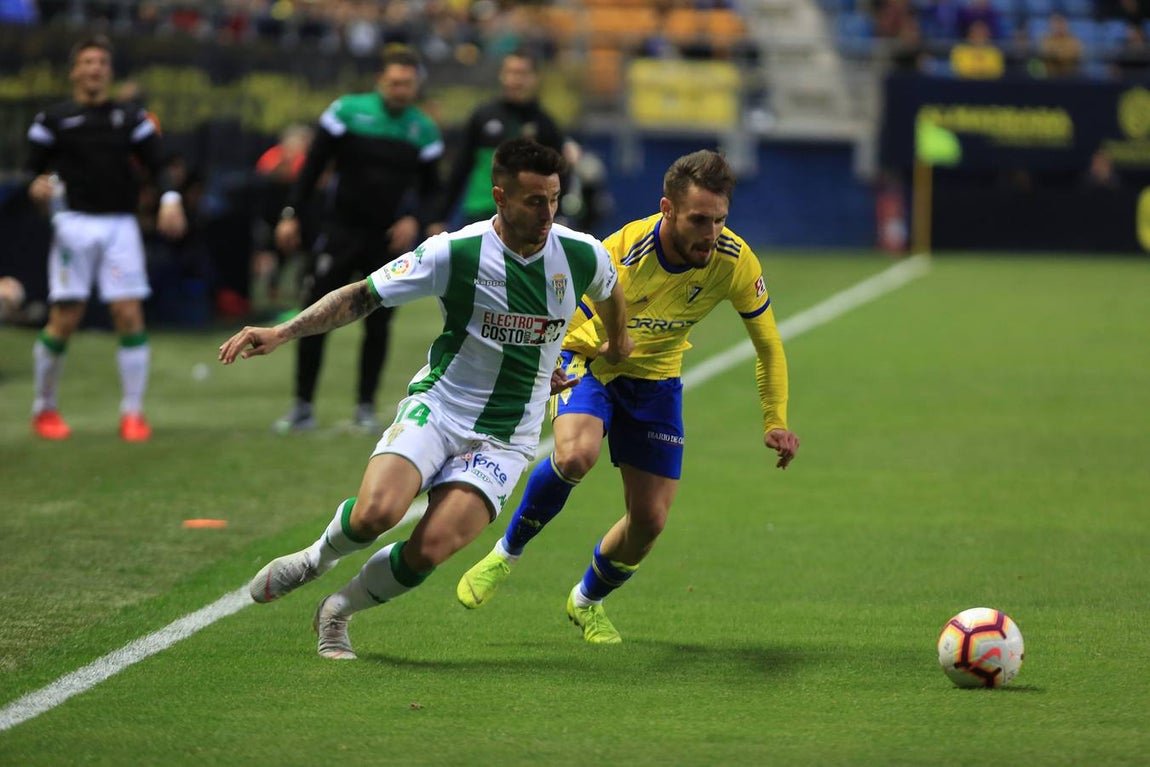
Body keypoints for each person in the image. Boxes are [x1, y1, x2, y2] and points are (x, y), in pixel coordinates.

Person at [219, 138, 633, 660]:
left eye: (554, 198)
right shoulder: (455, 252)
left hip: (508, 436)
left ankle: (338, 611)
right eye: (534, 201)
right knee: (376, 513)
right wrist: (284, 331)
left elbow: (610, 286)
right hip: (440, 407)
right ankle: (316, 557)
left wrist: (617, 341)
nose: (549, 212)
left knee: (429, 550)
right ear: (500, 197)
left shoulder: (579, 253)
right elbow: (363, 294)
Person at [456, 149, 800, 644]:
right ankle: (504, 556)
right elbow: (562, 307)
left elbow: (768, 343)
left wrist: (775, 419)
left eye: (720, 220)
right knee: (576, 455)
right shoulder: (623, 252)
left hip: (656, 379)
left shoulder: (734, 260)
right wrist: (568, 356)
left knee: (650, 521)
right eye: (699, 220)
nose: (711, 233)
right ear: (667, 209)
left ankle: (586, 601)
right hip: (587, 358)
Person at [273, 46, 446, 434]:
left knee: (379, 321)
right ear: (380, 81)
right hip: (340, 230)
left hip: (387, 240)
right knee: (315, 312)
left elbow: (434, 190)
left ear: (416, 86)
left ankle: (365, 407)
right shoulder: (346, 113)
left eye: (408, 83)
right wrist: (291, 214)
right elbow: (312, 166)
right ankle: (302, 405)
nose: (400, 89)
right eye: (394, 82)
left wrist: (415, 219)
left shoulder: (423, 129)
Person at [25, 34, 187, 442]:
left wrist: (170, 199)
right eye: (87, 62)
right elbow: (32, 173)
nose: (95, 68)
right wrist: (37, 188)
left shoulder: (131, 119)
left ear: (110, 72)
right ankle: (43, 408)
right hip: (72, 225)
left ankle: (133, 413)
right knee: (65, 319)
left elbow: (159, 165)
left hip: (120, 225)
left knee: (129, 314)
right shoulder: (52, 121)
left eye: (101, 62)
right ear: (74, 71)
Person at [432, 49, 576, 227]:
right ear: (502, 75)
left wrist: (558, 215)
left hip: (525, 219)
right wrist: (439, 217)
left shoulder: (546, 125)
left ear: (535, 78)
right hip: (480, 213)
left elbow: (559, 177)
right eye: (511, 73)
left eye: (522, 74)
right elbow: (460, 168)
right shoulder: (482, 116)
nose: (516, 80)